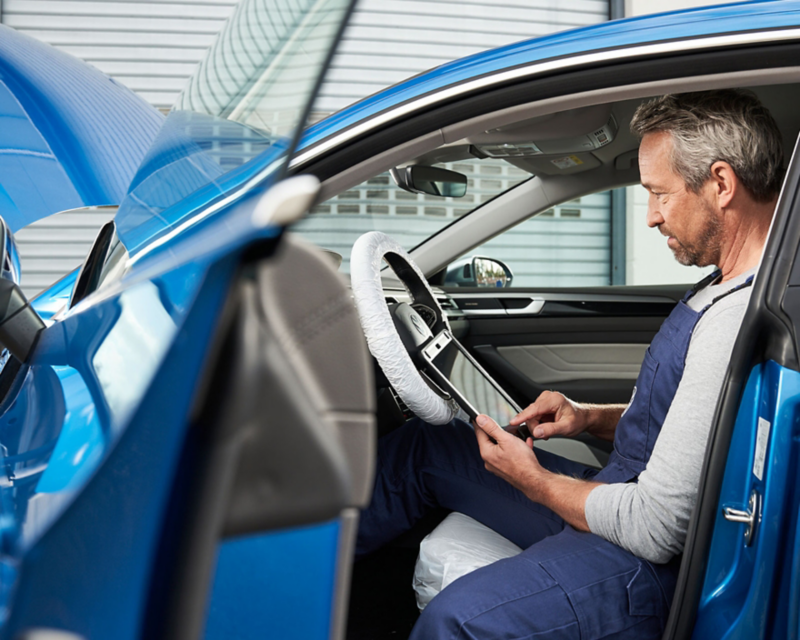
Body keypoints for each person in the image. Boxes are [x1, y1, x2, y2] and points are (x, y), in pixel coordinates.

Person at [356, 90, 784, 639]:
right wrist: (588, 417)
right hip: (622, 493)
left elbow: (655, 529)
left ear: (721, 184)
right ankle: (285, 576)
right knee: (427, 448)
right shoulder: (721, 283)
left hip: (646, 563)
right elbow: (696, 427)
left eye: (660, 194)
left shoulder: (735, 316)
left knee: (457, 622)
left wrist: (533, 480)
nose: (651, 216)